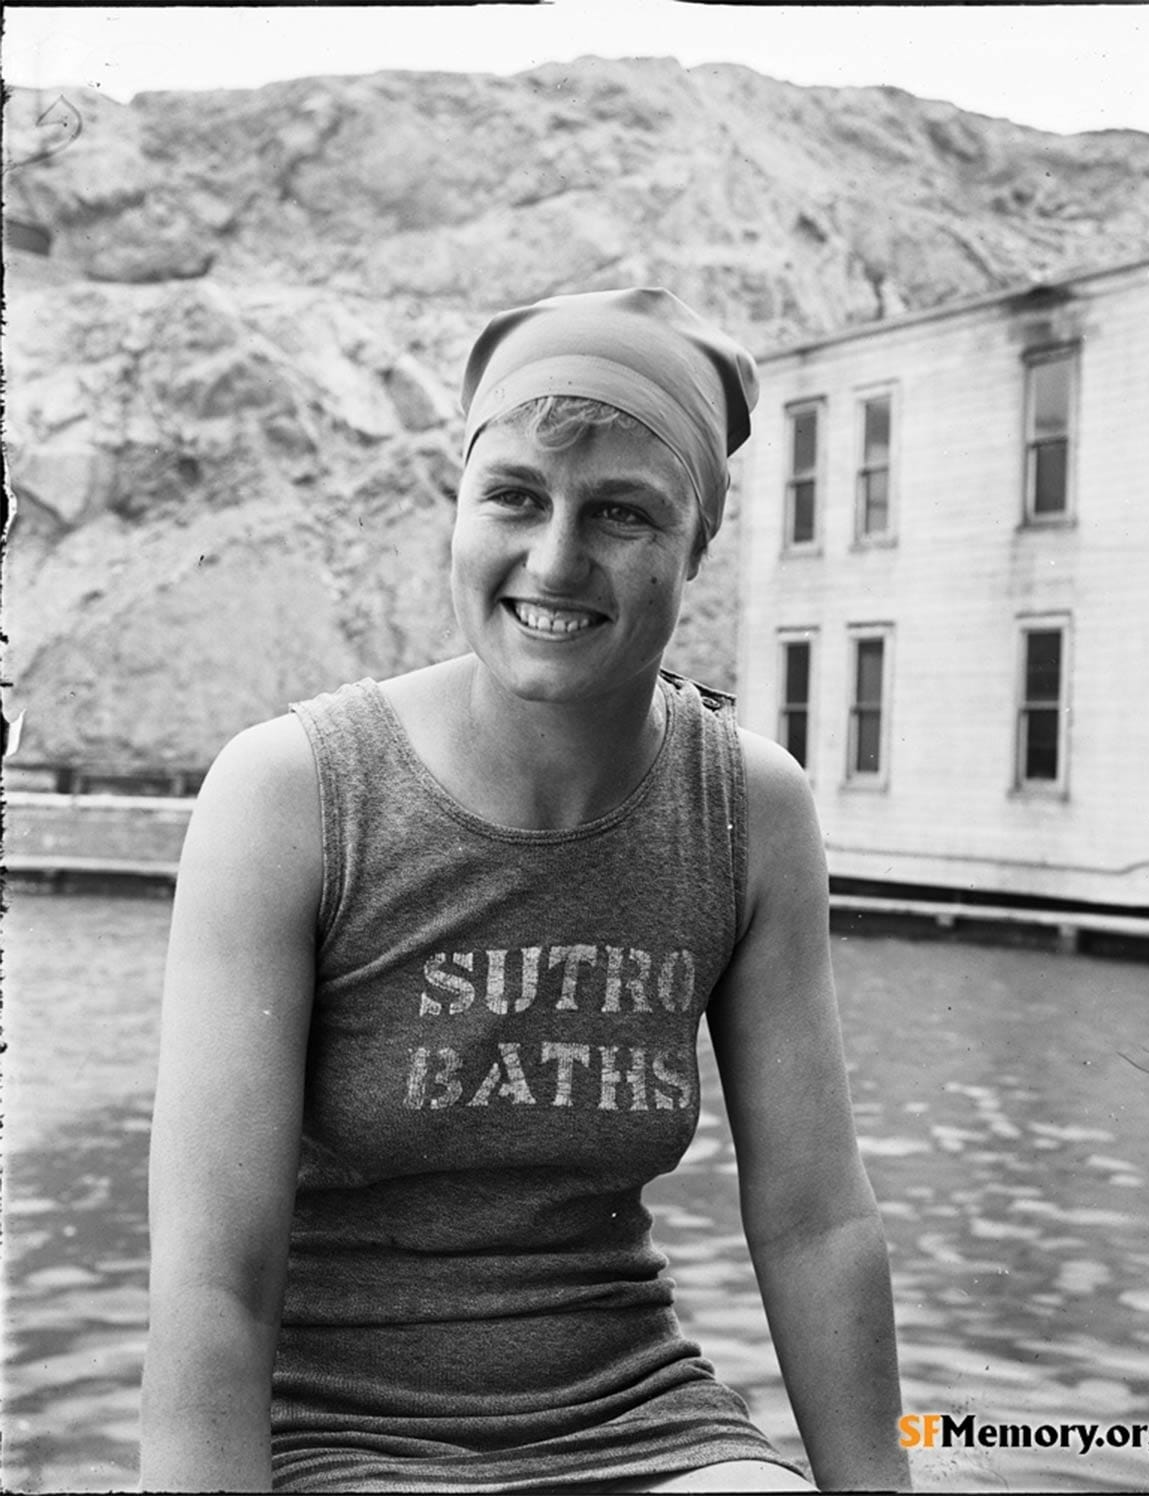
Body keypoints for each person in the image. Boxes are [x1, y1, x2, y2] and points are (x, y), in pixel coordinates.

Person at [140, 287, 911, 1494]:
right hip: (341, 1429)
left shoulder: (750, 809)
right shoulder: (293, 793)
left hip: (637, 1408)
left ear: (696, 547)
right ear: (458, 507)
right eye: (514, 495)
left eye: (621, 513)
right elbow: (212, 1282)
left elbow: (815, 1219)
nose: (556, 559)